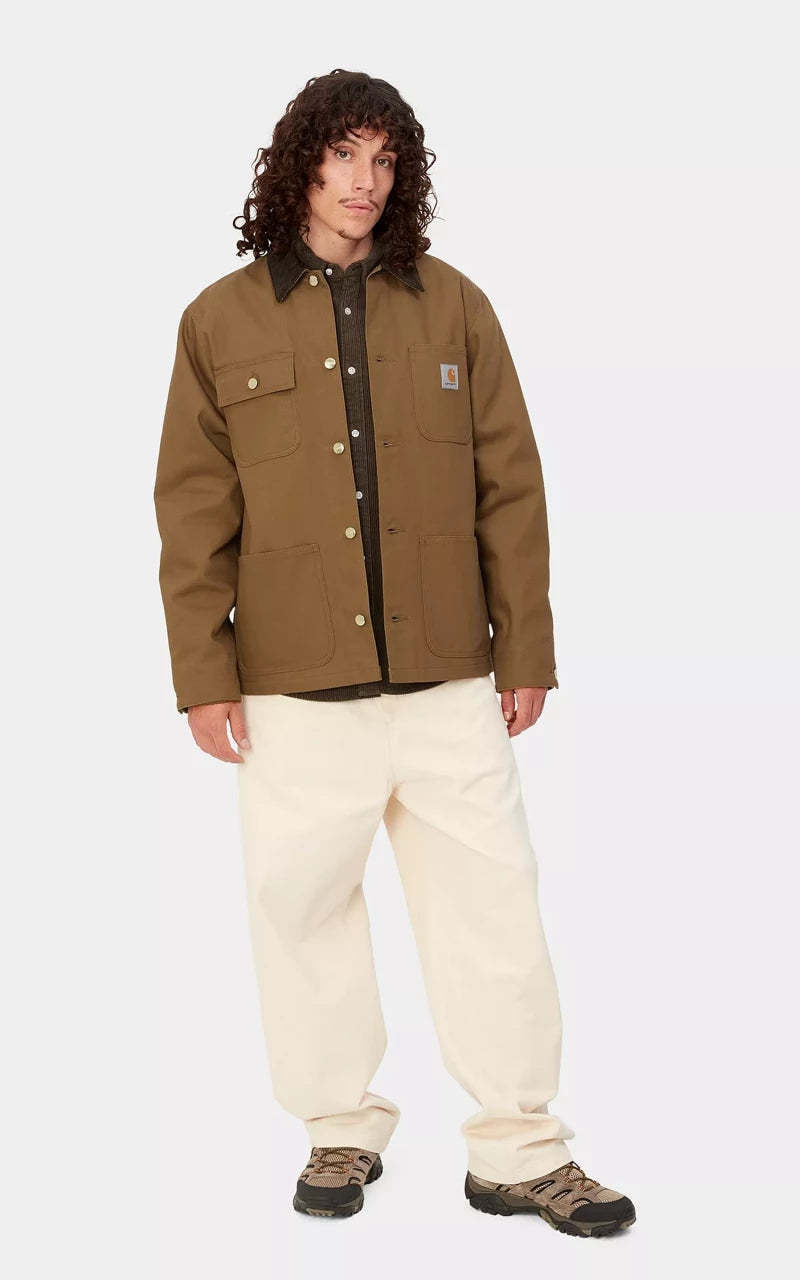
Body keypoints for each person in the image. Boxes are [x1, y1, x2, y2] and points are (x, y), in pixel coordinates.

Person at [153, 69, 635, 1238]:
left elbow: (510, 487)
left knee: (492, 911)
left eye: (384, 160)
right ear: (299, 165)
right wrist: (203, 674)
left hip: (448, 681)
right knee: (301, 911)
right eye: (343, 156)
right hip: (291, 686)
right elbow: (193, 509)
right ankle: (338, 1127)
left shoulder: (453, 304)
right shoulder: (219, 320)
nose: (364, 181)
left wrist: (525, 646)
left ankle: (519, 1150)